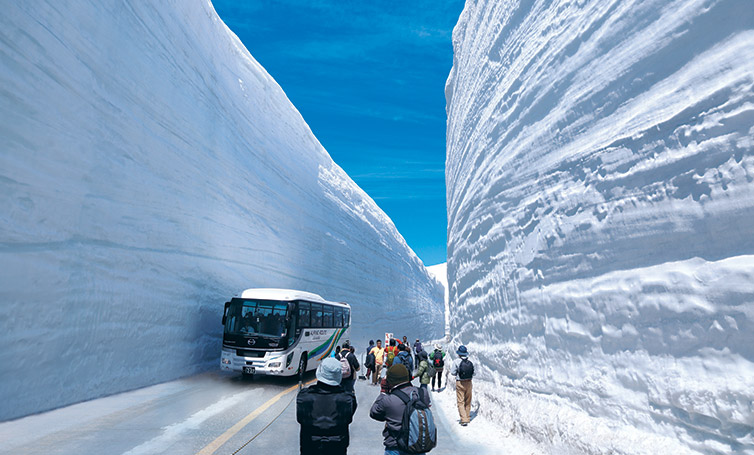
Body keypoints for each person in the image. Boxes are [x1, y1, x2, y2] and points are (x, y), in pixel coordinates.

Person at [296, 357, 358, 454]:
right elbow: (348, 417)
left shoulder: (304, 396)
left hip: (310, 446)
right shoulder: (348, 398)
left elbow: (300, 418)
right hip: (337, 447)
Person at [369, 364, 431, 455]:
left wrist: (383, 392)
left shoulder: (388, 399)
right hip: (418, 445)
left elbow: (374, 413)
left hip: (395, 446)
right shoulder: (422, 393)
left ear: (390, 381)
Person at [450, 345, 475, 426]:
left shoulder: (456, 361)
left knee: (461, 401)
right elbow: (474, 373)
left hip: (460, 382)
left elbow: (453, 372)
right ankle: (467, 417)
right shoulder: (470, 362)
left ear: (459, 354)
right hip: (469, 382)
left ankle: (464, 419)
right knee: (468, 400)